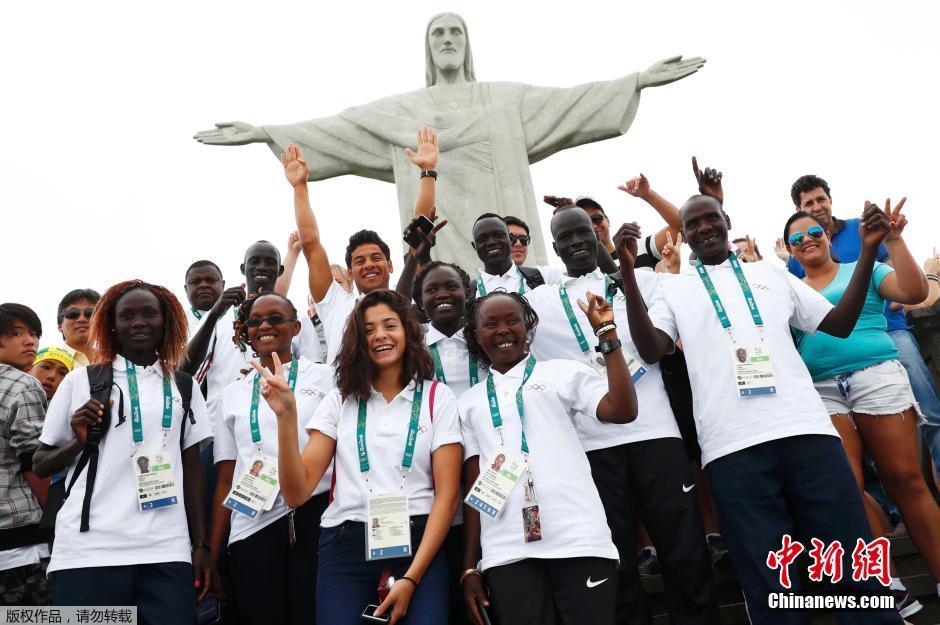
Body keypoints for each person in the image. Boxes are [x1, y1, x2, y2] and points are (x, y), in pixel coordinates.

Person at [194, 11, 705, 271]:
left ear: (467, 44)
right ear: (427, 47)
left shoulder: (504, 99)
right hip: (441, 246)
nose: (446, 41)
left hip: (511, 231)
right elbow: (341, 127)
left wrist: (635, 80)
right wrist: (266, 132)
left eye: (455, 33)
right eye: (437, 33)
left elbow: (570, 102)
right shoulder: (401, 112)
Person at [618, 161, 902, 624]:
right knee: (773, 585)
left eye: (712, 218)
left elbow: (841, 323)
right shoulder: (671, 289)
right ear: (684, 236)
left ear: (728, 223)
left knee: (853, 566)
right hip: (732, 449)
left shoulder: (771, 273)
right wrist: (630, 274)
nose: (705, 227)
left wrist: (868, 252)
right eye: (693, 224)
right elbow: (652, 349)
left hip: (808, 432)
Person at [524, 206, 718, 625]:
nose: (576, 241)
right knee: (618, 561)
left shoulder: (644, 281)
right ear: (554, 247)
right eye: (565, 236)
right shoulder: (537, 302)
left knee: (683, 551)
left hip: (657, 436)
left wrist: (626, 273)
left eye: (584, 232)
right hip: (590, 448)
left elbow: (655, 350)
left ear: (598, 237)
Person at [259, 289, 462, 625]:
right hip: (345, 544)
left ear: (408, 332)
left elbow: (448, 495)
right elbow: (296, 493)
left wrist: (412, 578)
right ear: (358, 340)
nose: (380, 335)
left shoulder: (437, 398)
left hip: (418, 541)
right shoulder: (339, 400)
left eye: (389, 325)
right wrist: (286, 416)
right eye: (368, 330)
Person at [785, 207, 939, 612]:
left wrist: (893, 240)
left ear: (829, 234)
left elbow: (914, 293)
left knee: (905, 478)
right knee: (842, 488)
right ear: (789, 251)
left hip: (876, 374)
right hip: (820, 390)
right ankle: (888, 583)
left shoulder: (864, 268)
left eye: (813, 231)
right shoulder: (787, 290)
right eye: (796, 239)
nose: (807, 241)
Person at [32, 281, 214, 624]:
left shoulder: (184, 385)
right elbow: (41, 464)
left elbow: (193, 470)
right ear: (112, 324)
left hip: (165, 549)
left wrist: (200, 546)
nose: (139, 322)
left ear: (166, 321)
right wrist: (79, 441)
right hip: (88, 551)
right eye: (127, 315)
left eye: (149, 313)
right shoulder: (80, 381)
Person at [458, 291, 637, 625]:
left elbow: (623, 410)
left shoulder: (562, 373)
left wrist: (607, 335)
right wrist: (471, 564)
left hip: (578, 538)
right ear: (475, 333)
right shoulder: (468, 402)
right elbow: (473, 489)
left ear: (528, 326)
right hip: (507, 551)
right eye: (490, 324)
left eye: (512, 320)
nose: (503, 330)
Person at [786, 175, 940, 478]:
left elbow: (908, 289)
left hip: (887, 335)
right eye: (808, 203)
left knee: (927, 409)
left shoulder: (864, 228)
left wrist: (893, 240)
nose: (807, 239)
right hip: (825, 382)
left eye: (821, 199)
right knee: (853, 476)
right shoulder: (793, 278)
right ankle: (887, 517)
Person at [209, 292, 335, 625]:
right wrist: (213, 550)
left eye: (275, 318)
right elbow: (225, 475)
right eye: (255, 320)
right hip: (252, 522)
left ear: (295, 326)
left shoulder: (326, 378)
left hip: (315, 513)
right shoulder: (232, 393)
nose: (264, 325)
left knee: (313, 614)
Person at [0, 303, 50, 605]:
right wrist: (58, 522)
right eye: (17, 333)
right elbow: (35, 464)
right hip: (21, 545)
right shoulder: (23, 384)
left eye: (33, 334)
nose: (30, 341)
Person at [472, 213, 558, 295]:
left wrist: (565, 211)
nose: (491, 242)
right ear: (474, 246)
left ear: (509, 239)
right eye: (482, 239)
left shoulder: (544, 277)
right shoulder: (468, 291)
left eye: (498, 235)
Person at [56, 289, 100, 367]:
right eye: (73, 314)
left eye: (90, 314)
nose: (82, 319)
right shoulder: (46, 362)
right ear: (60, 325)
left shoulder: (116, 361)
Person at [183, 260, 225, 337]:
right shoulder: (177, 322)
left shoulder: (242, 314)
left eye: (211, 280)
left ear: (223, 284)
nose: (203, 285)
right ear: (186, 289)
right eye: (195, 281)